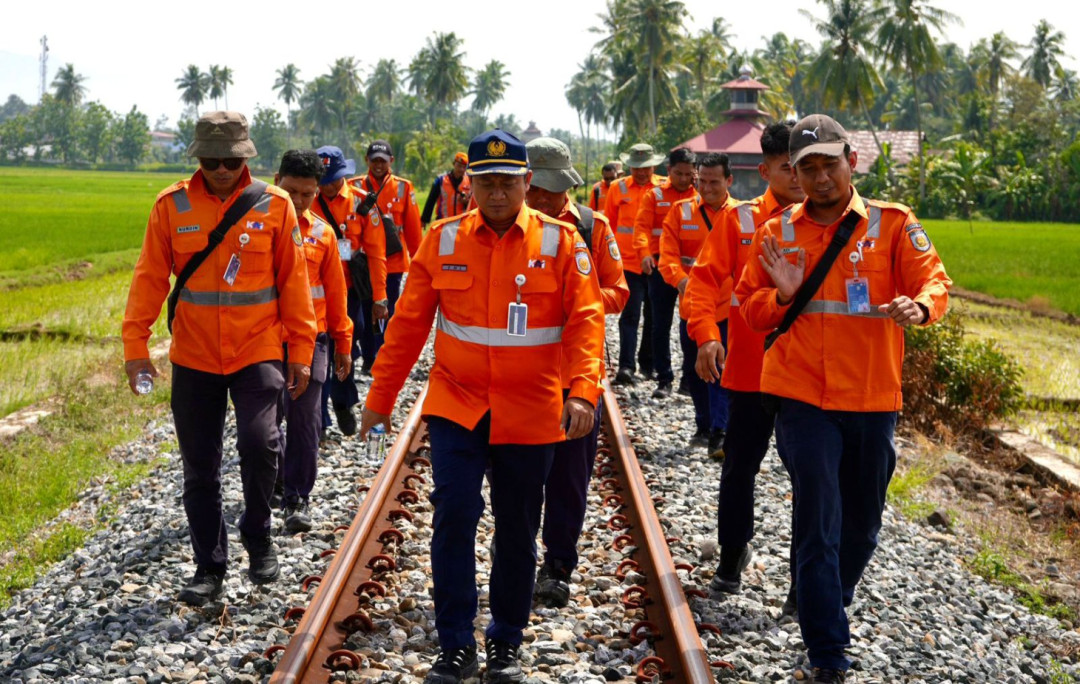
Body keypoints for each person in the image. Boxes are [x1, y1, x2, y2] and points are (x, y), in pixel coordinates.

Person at [359, 130, 605, 683]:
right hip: (458, 404)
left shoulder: (561, 242)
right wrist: (380, 399)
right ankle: (455, 643)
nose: (496, 193)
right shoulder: (443, 240)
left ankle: (506, 640)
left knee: (517, 527)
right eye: (486, 182)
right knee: (455, 513)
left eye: (507, 183)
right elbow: (407, 327)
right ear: (469, 183)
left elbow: (587, 323)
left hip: (531, 409)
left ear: (527, 183)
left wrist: (582, 391)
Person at [735, 114, 951, 684]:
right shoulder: (776, 232)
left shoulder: (893, 224)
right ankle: (828, 651)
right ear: (794, 173)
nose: (820, 177)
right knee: (818, 519)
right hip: (802, 397)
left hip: (873, 396)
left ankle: (828, 595)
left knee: (863, 526)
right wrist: (782, 297)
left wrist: (920, 307)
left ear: (850, 162)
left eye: (829, 164)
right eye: (807, 168)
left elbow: (935, 280)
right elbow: (748, 308)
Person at [122, 111, 317, 606]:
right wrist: (135, 348)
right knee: (200, 467)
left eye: (231, 160)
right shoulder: (171, 206)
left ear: (246, 157)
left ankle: (258, 532)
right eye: (212, 161)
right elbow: (149, 279)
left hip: (258, 349)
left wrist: (301, 350)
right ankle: (209, 566)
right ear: (198, 159)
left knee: (261, 442)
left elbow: (294, 282)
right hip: (194, 356)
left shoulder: (275, 205)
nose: (223, 170)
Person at [685, 122, 803, 607]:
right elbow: (702, 282)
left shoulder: (832, 224)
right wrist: (707, 336)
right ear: (766, 170)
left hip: (806, 378)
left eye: (804, 166)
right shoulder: (742, 221)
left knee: (810, 480)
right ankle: (732, 554)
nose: (799, 176)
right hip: (751, 372)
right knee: (738, 468)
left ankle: (804, 581)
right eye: (788, 167)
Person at [524, 137, 628, 608]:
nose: (543, 199)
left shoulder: (591, 226)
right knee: (517, 475)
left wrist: (576, 297)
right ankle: (517, 552)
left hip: (576, 373)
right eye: (536, 189)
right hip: (520, 375)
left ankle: (558, 565)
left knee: (569, 477)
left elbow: (618, 291)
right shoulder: (505, 227)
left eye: (551, 189)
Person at [273, 149, 353, 533]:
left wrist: (343, 343)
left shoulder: (322, 234)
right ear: (276, 182)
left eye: (307, 194)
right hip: (264, 341)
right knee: (267, 420)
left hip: (313, 339)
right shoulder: (255, 228)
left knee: (305, 420)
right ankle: (275, 480)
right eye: (291, 192)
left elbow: (337, 294)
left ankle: (297, 497)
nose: (299, 201)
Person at [312, 146, 388, 436]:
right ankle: (319, 418)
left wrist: (380, 298)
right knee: (319, 349)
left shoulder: (362, 203)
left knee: (346, 345)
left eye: (333, 180)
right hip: (315, 290)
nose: (328, 187)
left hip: (351, 291)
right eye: (323, 181)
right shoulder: (307, 201)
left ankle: (343, 401)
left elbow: (377, 253)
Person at [658, 152, 733, 447]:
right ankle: (704, 425)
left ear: (729, 181)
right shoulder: (680, 212)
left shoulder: (742, 215)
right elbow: (667, 257)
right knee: (695, 370)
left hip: (728, 309)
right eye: (703, 181)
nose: (707, 188)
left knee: (721, 370)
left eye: (715, 182)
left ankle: (720, 430)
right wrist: (682, 281)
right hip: (692, 308)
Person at [349, 140, 423, 372]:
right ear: (367, 161)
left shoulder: (403, 188)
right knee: (363, 310)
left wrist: (420, 264)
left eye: (383, 161)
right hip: (362, 262)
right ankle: (367, 354)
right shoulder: (354, 186)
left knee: (384, 311)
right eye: (374, 161)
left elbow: (413, 229)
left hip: (392, 263)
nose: (378, 165)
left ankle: (379, 355)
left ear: (391, 161)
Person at [635, 147, 698, 397]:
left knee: (692, 323)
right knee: (659, 324)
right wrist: (644, 254)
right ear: (669, 170)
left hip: (691, 271)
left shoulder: (701, 196)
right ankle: (664, 378)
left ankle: (689, 379)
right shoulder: (654, 195)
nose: (683, 179)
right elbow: (641, 228)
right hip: (660, 268)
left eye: (688, 174)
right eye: (678, 173)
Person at [605, 143, 664, 385]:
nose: (641, 172)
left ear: (654, 166)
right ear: (629, 167)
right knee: (629, 315)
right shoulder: (617, 188)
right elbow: (609, 225)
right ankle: (626, 367)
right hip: (628, 263)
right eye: (637, 168)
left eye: (646, 168)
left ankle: (648, 365)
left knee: (653, 316)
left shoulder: (663, 188)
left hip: (657, 262)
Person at [421, 151, 472, 227]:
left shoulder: (470, 181)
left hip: (462, 224)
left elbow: (475, 203)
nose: (461, 169)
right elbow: (431, 200)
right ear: (454, 164)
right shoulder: (441, 180)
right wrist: (424, 219)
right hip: (444, 222)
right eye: (459, 166)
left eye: (464, 167)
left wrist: (467, 202)